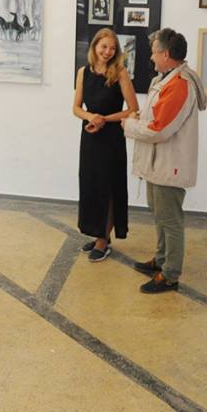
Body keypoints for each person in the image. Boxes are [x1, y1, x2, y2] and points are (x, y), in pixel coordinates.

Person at [121, 28, 207, 293]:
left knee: (170, 220)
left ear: (166, 54)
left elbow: (159, 129)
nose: (151, 57)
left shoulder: (179, 85)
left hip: (169, 164)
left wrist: (129, 125)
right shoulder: (167, 80)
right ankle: (161, 260)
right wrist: (140, 122)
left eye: (154, 52)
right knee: (160, 215)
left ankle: (170, 275)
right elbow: (157, 120)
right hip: (159, 163)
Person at [72, 28, 138, 261]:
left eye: (112, 48)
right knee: (91, 185)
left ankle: (103, 239)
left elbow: (133, 109)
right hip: (90, 135)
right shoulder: (83, 72)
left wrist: (104, 119)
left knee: (108, 187)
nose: (108, 51)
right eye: (104, 46)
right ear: (95, 46)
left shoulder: (120, 72)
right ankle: (99, 232)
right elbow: (76, 107)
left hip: (111, 138)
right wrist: (91, 117)